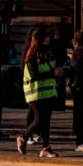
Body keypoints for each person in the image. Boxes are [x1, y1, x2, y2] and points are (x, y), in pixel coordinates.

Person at [17, 27, 63, 158]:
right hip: (35, 93)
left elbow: (54, 65)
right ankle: (23, 137)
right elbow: (35, 75)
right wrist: (53, 73)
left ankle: (46, 148)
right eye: (45, 37)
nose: (48, 39)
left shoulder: (49, 53)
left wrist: (60, 71)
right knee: (39, 120)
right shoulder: (31, 56)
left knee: (46, 121)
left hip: (47, 92)